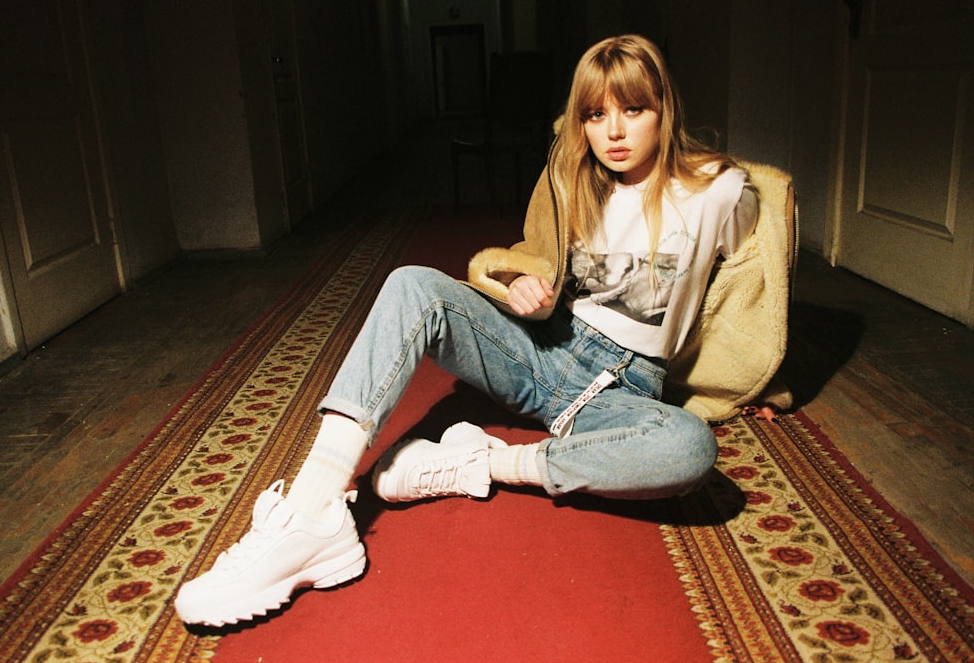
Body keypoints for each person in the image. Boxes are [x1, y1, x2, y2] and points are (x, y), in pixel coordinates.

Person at [174, 34, 759, 627]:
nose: (613, 132)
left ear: (666, 108)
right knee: (412, 284)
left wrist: (750, 375)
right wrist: (524, 291)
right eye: (595, 114)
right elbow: (537, 259)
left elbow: (752, 284)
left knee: (689, 449)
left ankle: (479, 463)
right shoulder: (573, 178)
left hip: (624, 391)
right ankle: (313, 509)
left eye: (634, 110)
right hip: (546, 349)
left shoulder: (720, 189)